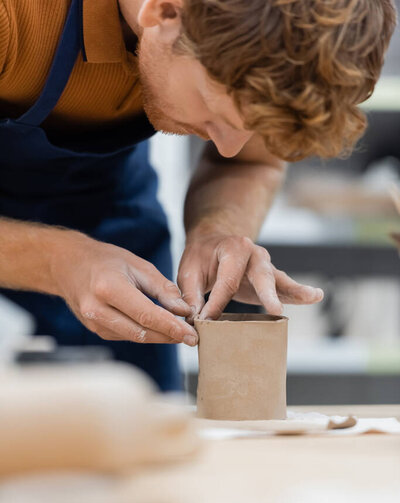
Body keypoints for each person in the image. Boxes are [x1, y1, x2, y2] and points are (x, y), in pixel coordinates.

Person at [0, 0, 396, 390]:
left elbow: (245, 163)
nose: (228, 146)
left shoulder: (251, 49)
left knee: (146, 431)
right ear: (165, 11)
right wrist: (57, 261)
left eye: (250, 127)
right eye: (214, 111)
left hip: (108, 211)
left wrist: (218, 230)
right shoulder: (14, 16)